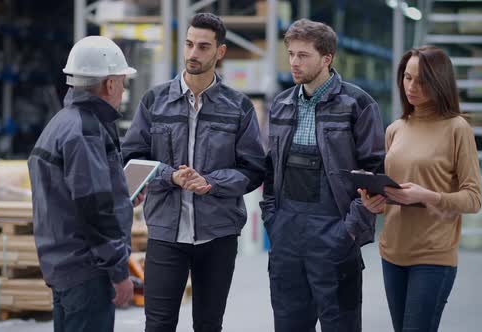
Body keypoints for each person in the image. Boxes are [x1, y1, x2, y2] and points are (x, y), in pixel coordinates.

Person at [121, 13, 265, 332]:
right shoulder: (155, 101)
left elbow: (253, 170)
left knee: (208, 324)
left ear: (220, 52)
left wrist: (210, 183)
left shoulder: (237, 107)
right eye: (189, 44)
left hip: (218, 234)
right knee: (158, 324)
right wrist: (169, 176)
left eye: (202, 47)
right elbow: (131, 158)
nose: (193, 54)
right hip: (165, 231)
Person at [260, 19, 385, 332]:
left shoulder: (357, 104)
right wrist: (272, 220)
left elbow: (373, 172)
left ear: (327, 58)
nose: (293, 62)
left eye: (303, 55)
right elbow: (271, 167)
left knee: (340, 324)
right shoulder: (281, 104)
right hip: (286, 237)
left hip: (335, 235)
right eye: (290, 54)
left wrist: (349, 232)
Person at [360, 46, 482, 332]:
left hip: (433, 255)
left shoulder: (457, 128)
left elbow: (474, 198)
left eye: (422, 80)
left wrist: (426, 196)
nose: (412, 87)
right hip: (392, 252)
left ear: (440, 82)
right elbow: (394, 193)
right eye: (407, 77)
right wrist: (375, 201)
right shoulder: (396, 129)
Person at [28, 35, 142, 332]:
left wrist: (123, 197)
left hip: (64, 265)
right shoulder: (86, 130)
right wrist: (119, 272)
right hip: (88, 272)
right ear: (109, 85)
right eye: (122, 81)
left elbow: (72, 196)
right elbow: (94, 208)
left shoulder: (61, 122)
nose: (122, 89)